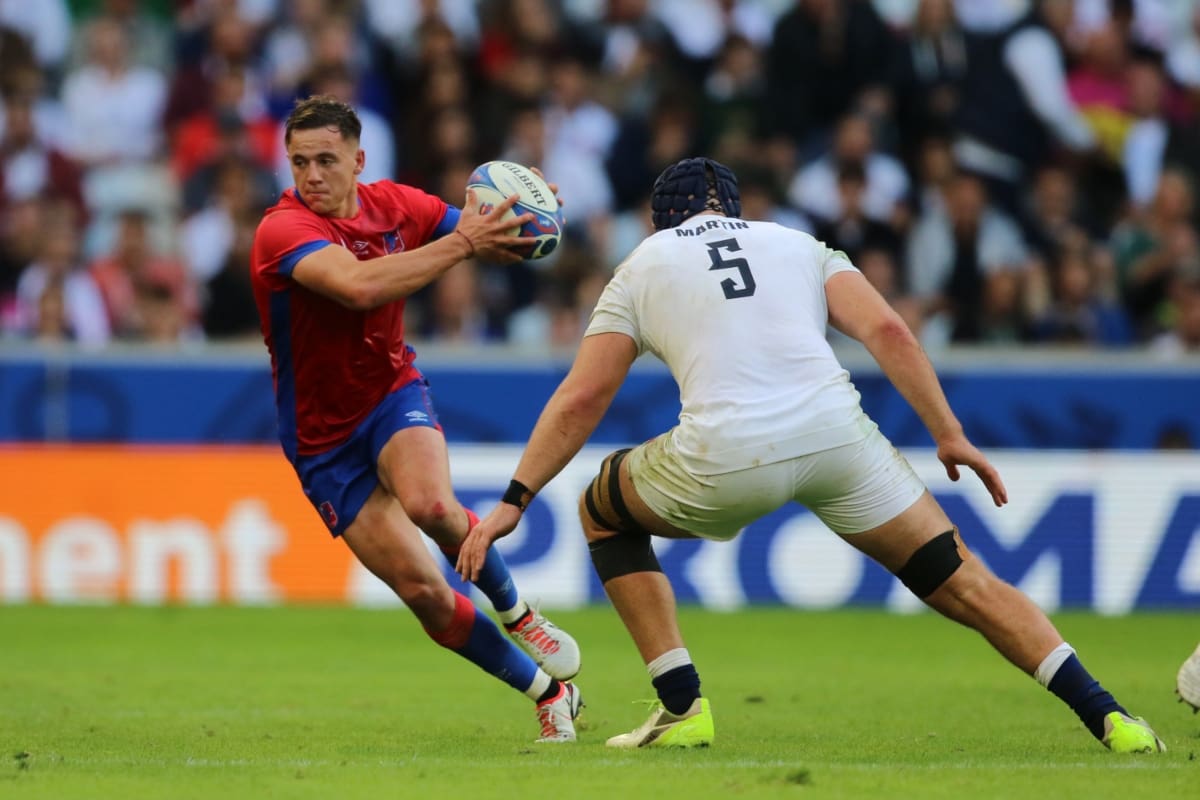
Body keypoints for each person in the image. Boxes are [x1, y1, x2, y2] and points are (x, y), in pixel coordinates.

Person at [456, 156, 1166, 754]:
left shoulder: (644, 263)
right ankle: (1110, 717)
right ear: (737, 207)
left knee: (602, 508)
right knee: (966, 583)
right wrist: (948, 432)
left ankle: (683, 705)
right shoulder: (797, 242)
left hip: (723, 455)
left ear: (659, 221)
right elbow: (887, 328)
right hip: (837, 440)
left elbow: (583, 399)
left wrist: (515, 500)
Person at [250, 96, 582, 743]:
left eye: (325, 160)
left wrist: (527, 221)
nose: (311, 175)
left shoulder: (399, 206)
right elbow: (359, 287)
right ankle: (549, 692)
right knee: (425, 593)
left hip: (389, 394)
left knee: (432, 505)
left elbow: (488, 239)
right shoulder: (281, 231)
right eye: (299, 162)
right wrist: (464, 241)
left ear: (358, 160)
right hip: (323, 446)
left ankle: (517, 611)